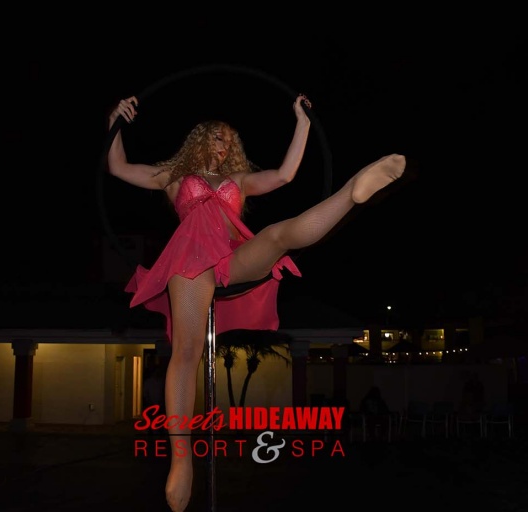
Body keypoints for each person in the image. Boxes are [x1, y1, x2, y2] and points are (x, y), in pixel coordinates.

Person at [107, 93, 406, 512]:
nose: (224, 144)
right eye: (217, 136)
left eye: (229, 140)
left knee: (276, 236)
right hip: (190, 260)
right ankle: (181, 460)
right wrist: (115, 123)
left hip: (233, 257)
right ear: (199, 138)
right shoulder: (173, 175)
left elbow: (284, 175)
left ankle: (351, 193)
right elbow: (118, 167)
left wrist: (302, 122)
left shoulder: (240, 180)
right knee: (187, 352)